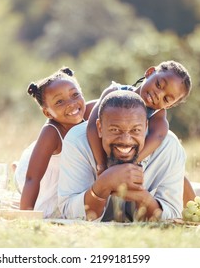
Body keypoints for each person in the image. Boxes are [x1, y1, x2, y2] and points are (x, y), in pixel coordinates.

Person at [58, 90, 186, 222]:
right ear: (100, 128)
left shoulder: (169, 147)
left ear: (146, 126)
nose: (126, 140)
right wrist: (103, 185)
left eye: (135, 130)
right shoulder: (77, 140)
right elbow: (69, 213)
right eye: (115, 130)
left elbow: (173, 216)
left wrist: (141, 197)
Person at [86, 60, 196, 207]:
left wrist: (130, 163)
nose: (158, 95)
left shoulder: (158, 117)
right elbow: (92, 127)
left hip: (131, 159)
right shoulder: (114, 93)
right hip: (103, 152)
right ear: (149, 73)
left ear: (170, 105)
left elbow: (158, 137)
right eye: (158, 85)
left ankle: (198, 208)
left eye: (166, 99)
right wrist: (101, 165)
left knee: (177, 175)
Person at [14, 67, 94, 218]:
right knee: (49, 207)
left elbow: (114, 99)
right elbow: (33, 178)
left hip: (68, 173)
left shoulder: (90, 111)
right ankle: (16, 169)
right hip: (39, 176)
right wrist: (25, 217)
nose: (71, 104)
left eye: (75, 94)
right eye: (59, 102)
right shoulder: (51, 132)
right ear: (47, 112)